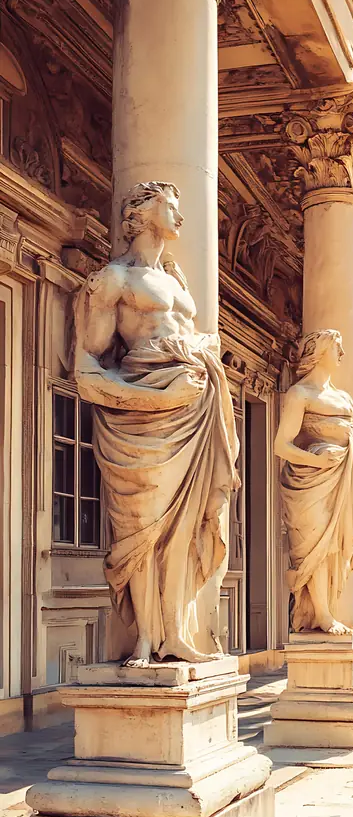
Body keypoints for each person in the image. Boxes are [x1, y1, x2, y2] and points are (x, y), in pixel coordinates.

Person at [74, 181, 239, 667]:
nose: (180, 218)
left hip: (193, 412)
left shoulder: (179, 282)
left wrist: (199, 362)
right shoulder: (114, 280)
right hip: (142, 423)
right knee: (143, 527)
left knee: (183, 529)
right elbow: (87, 370)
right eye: (171, 206)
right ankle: (146, 636)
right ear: (141, 214)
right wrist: (150, 398)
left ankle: (177, 633)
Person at [274, 328, 353, 633]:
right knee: (314, 544)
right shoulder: (299, 394)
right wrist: (316, 460)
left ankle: (326, 610)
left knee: (333, 547)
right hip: (309, 482)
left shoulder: (343, 398)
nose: (342, 354)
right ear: (319, 351)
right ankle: (321, 614)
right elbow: (281, 445)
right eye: (337, 347)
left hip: (341, 477)